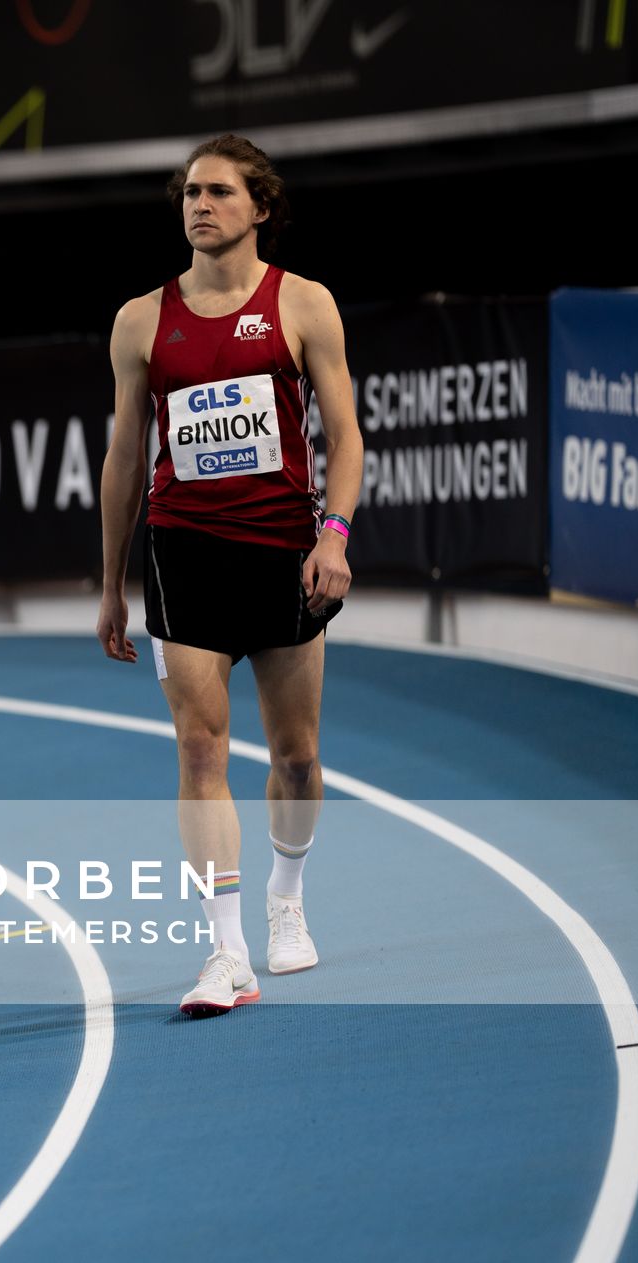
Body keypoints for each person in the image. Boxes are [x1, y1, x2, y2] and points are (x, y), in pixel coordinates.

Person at [94, 133, 363, 1018]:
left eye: (217, 192)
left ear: (260, 207)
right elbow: (126, 456)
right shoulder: (142, 320)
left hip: (284, 552)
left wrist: (334, 536)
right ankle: (227, 949)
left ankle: (287, 897)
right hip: (184, 554)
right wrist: (109, 583)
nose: (199, 205)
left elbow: (346, 436)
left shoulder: (304, 303)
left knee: (297, 754)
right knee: (201, 750)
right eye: (188, 193)